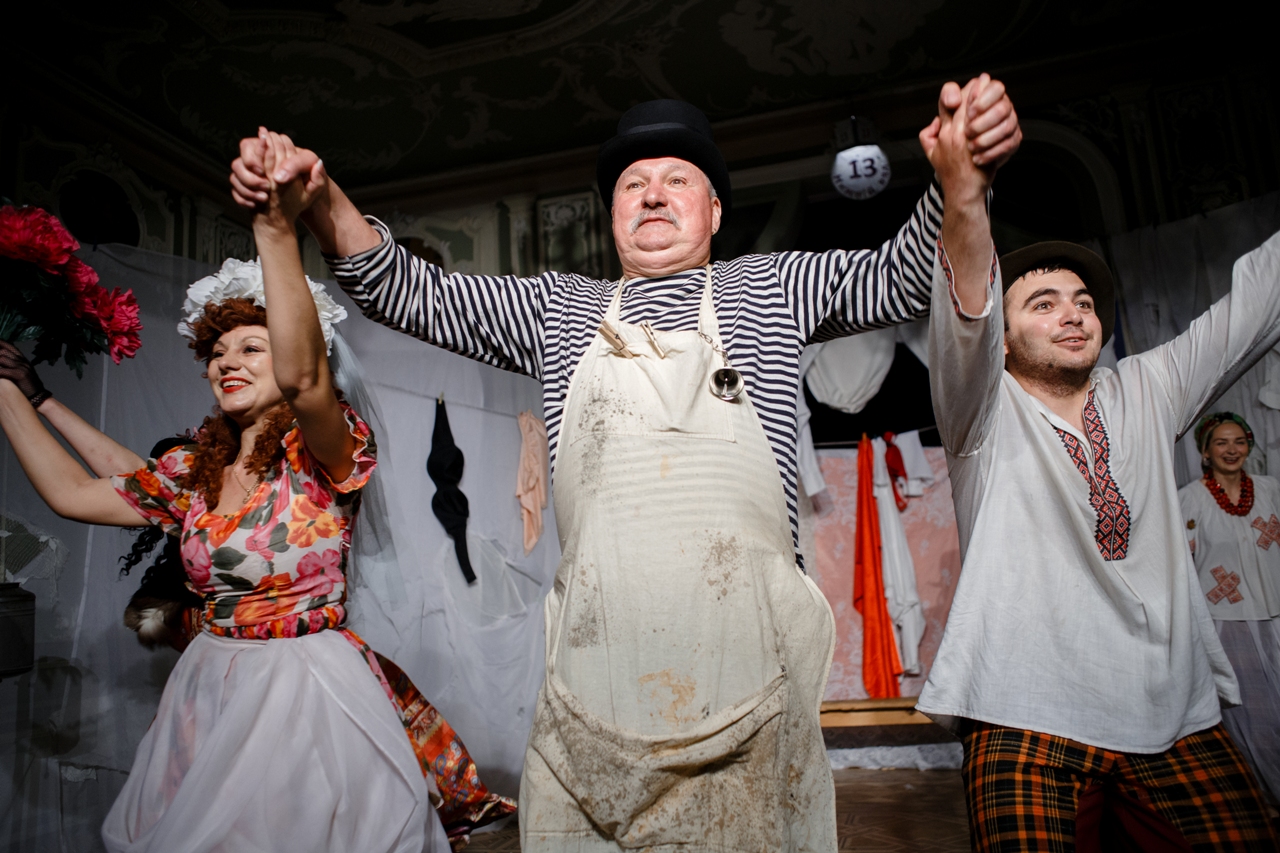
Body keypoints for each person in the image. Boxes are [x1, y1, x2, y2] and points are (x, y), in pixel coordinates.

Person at [230, 78, 1021, 851]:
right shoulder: (558, 311)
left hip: (749, 683)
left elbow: (902, 276)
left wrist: (960, 184)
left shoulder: (773, 288)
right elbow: (408, 291)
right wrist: (320, 196)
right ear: (611, 214)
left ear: (715, 210)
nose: (652, 195)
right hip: (595, 689)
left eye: (678, 180)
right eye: (633, 184)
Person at [0, 135, 521, 852]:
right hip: (208, 684)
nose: (227, 362)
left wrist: (275, 226)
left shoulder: (327, 451)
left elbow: (306, 381)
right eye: (217, 352)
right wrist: (13, 390)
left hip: (305, 688)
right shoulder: (196, 470)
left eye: (251, 347)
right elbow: (72, 492)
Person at [918, 86, 1280, 849]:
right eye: (1043, 303)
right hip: (1020, 709)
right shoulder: (980, 409)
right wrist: (966, 191)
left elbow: (1254, 305)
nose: (1073, 313)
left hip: (1173, 710)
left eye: (1083, 301)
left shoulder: (1146, 386)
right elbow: (966, 308)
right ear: (1003, 340)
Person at [1180, 412, 1280, 805]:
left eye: (1238, 441)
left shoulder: (1270, 490)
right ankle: (1258, 800)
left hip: (1275, 614)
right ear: (1205, 452)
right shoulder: (1190, 498)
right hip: (1227, 623)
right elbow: (1180, 564)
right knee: (1249, 713)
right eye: (1221, 442)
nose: (1231, 449)